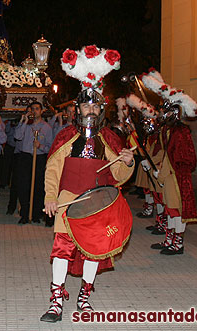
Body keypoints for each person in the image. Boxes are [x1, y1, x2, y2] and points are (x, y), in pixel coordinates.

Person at [41, 45, 135, 322]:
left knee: (94, 250)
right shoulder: (66, 135)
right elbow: (52, 169)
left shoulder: (109, 137)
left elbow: (118, 176)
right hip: (68, 200)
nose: (90, 109)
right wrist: (50, 196)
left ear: (101, 108)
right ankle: (56, 300)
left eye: (95, 104)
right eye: (86, 104)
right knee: (61, 248)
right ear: (78, 108)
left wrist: (127, 161)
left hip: (98, 203)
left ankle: (84, 297)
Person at [141, 71, 197, 255]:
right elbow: (165, 153)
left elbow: (180, 159)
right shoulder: (169, 131)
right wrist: (153, 164)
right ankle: (170, 239)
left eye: (167, 110)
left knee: (176, 211)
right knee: (169, 209)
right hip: (168, 176)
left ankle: (177, 244)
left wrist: (163, 172)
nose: (163, 113)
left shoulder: (181, 132)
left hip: (176, 178)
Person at [14, 101, 53, 224]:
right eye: (32, 109)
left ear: (41, 111)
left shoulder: (46, 127)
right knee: (24, 186)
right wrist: (24, 121)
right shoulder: (26, 125)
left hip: (40, 158)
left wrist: (40, 146)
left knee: (38, 186)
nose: (34, 111)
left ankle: (36, 213)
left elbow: (50, 147)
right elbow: (17, 136)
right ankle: (25, 213)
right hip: (26, 157)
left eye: (37, 109)